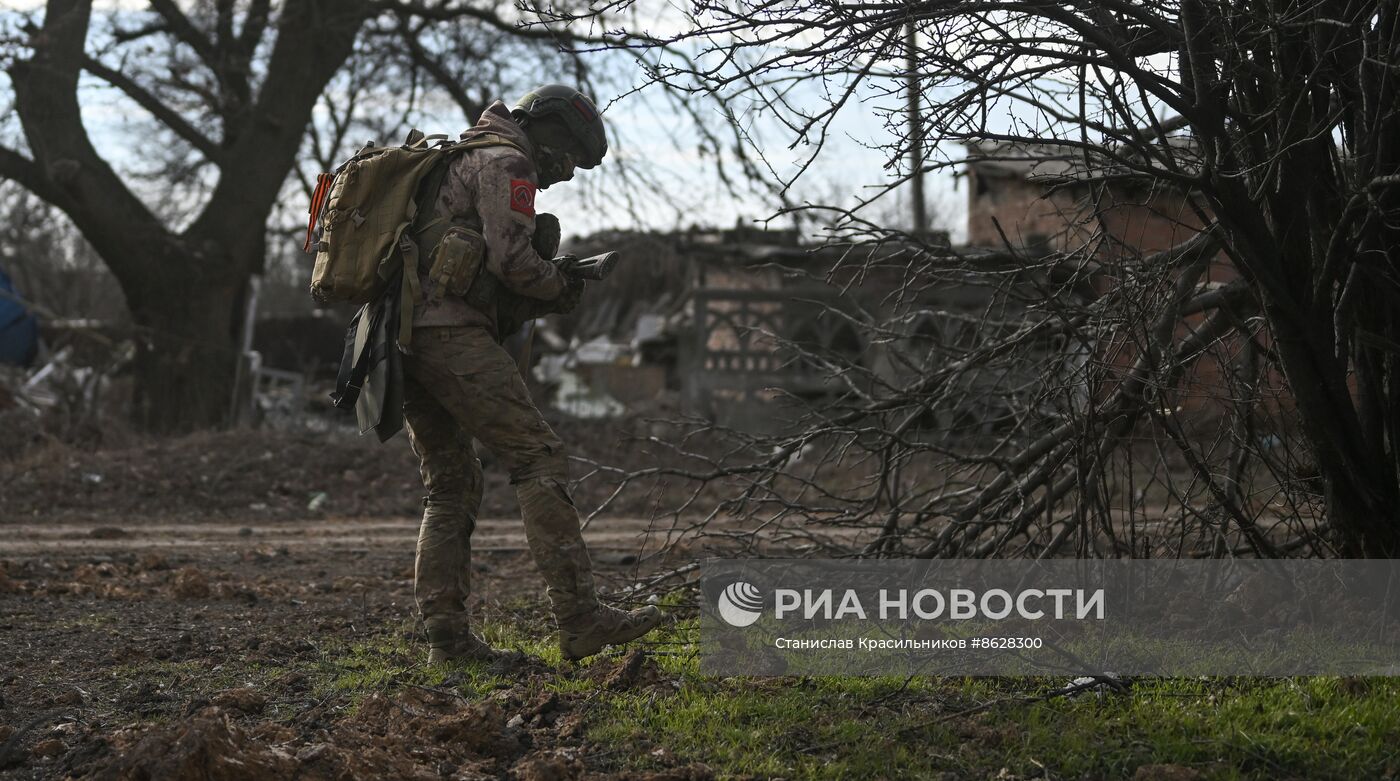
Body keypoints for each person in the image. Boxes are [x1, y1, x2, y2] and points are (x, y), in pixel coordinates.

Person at [402, 84, 661, 663]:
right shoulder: (507, 161)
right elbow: (513, 261)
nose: (562, 173)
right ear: (547, 131)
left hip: (402, 339)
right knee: (538, 457)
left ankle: (448, 642)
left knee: (451, 483)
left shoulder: (457, 158)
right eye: (565, 157)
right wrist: (560, 283)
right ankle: (580, 618)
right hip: (452, 337)